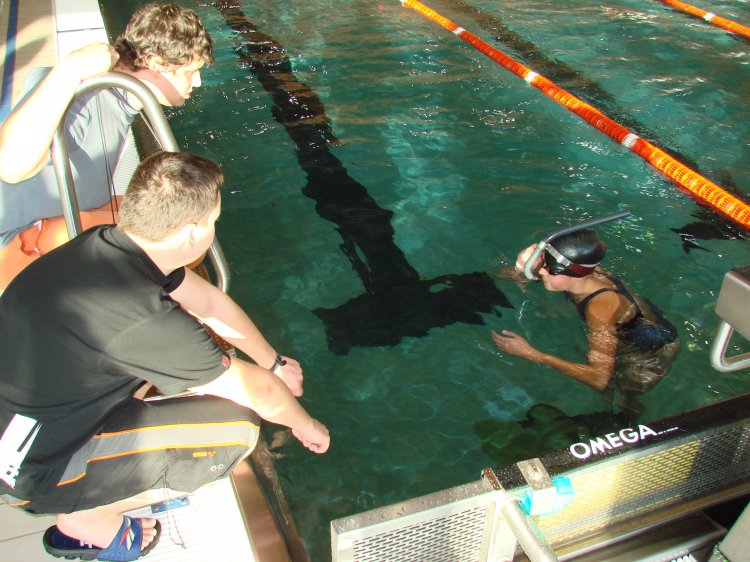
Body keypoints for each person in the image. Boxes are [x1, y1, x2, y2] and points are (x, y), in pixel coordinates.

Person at [0, 151, 330, 561]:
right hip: (29, 472)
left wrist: (273, 362)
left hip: (27, 414)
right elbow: (259, 393)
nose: (214, 228)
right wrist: (306, 425)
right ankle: (85, 520)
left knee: (148, 370)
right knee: (238, 427)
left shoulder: (105, 245)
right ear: (192, 233)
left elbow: (207, 301)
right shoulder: (143, 317)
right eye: (213, 221)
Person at [0, 3, 212, 291]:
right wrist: (71, 67)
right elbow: (10, 165)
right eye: (191, 72)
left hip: (61, 219)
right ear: (156, 63)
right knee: (183, 240)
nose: (197, 83)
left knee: (187, 218)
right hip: (18, 246)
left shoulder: (118, 98)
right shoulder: (82, 95)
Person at [491, 228, 680, 419]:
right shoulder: (584, 274)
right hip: (637, 328)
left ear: (575, 274)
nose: (540, 271)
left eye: (548, 269)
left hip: (648, 357)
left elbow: (599, 378)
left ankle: (628, 415)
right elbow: (503, 276)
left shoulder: (600, 309)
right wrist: (522, 266)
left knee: (621, 402)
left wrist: (533, 354)